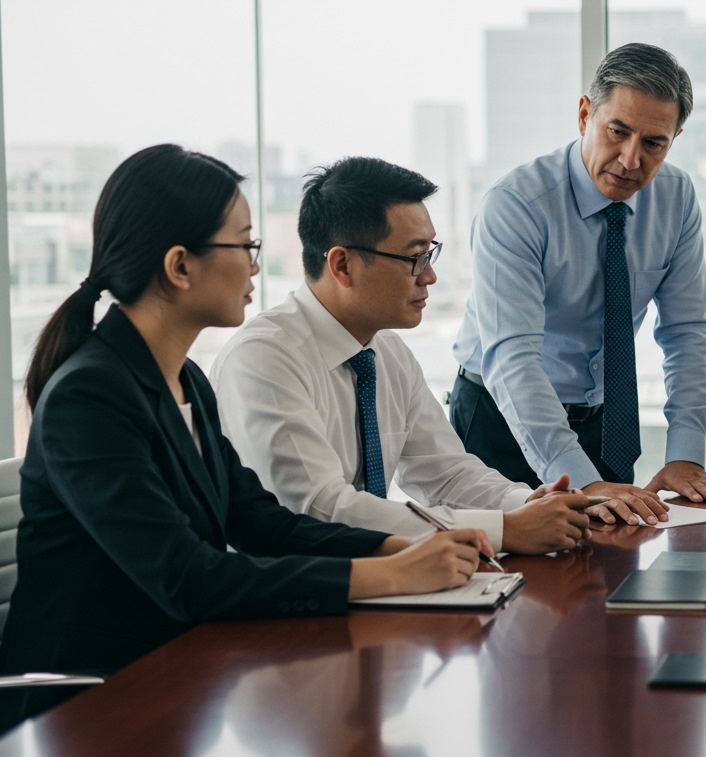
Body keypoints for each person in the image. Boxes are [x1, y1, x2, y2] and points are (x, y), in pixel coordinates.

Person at [0, 145, 500, 725]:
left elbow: (259, 522)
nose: (256, 267)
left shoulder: (184, 379)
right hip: (91, 702)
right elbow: (188, 576)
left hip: (179, 671)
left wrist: (400, 547)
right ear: (180, 266)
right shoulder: (89, 398)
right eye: (244, 246)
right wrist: (390, 574)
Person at [211, 157, 592, 552]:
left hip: (371, 578)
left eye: (431, 253)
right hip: (291, 593)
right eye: (415, 258)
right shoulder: (264, 359)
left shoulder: (386, 351)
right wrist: (504, 530)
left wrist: (528, 504)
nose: (429, 276)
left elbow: (446, 474)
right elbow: (318, 511)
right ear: (342, 264)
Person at [450, 42, 706, 527]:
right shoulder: (517, 205)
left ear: (675, 138)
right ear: (585, 114)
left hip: (605, 424)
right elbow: (513, 358)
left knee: (606, 577)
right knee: (503, 585)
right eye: (618, 131)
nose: (630, 159)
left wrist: (686, 452)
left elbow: (687, 333)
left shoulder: (676, 198)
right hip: (500, 420)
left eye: (654, 143)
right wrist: (581, 481)